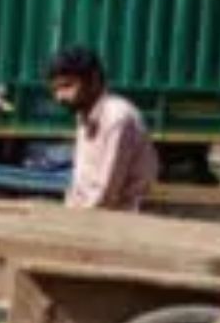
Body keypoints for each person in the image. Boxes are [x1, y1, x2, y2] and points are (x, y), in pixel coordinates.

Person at [46, 46, 158, 210]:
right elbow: (81, 183)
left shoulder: (117, 119)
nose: (60, 97)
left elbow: (106, 194)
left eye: (67, 86)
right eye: (55, 89)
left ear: (94, 80)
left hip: (119, 219)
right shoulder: (84, 114)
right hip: (91, 214)